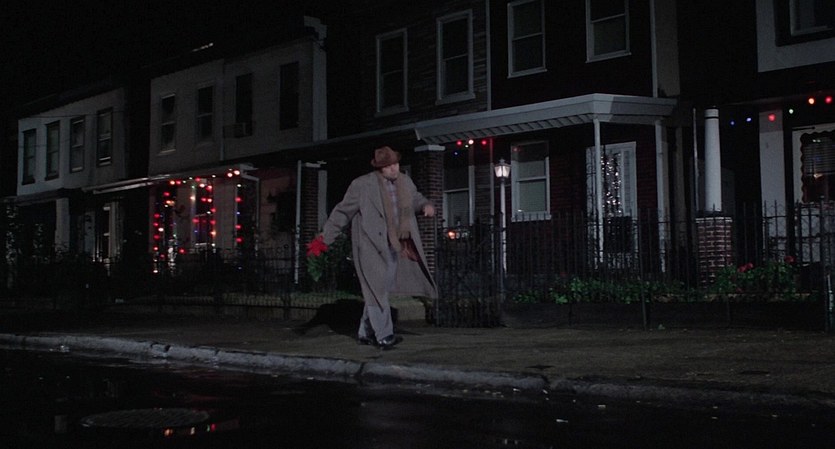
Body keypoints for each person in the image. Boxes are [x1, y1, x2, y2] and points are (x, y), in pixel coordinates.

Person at [315, 146, 437, 349]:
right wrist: (324, 240)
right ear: (379, 168)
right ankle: (384, 335)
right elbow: (342, 212)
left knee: (377, 290)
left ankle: (365, 332)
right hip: (370, 246)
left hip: (397, 244)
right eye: (388, 166)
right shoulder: (362, 185)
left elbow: (415, 198)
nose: (393, 168)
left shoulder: (405, 181)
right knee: (377, 288)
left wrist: (425, 205)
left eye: (395, 164)